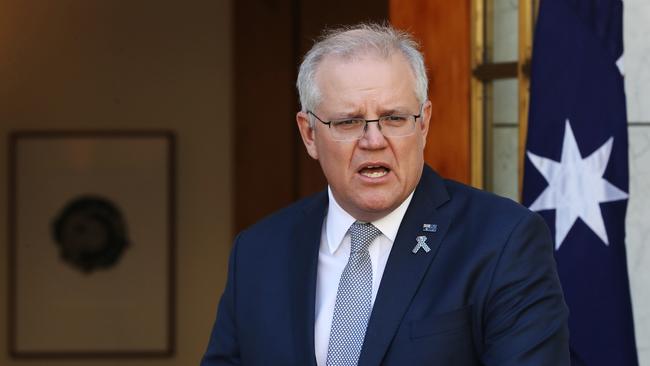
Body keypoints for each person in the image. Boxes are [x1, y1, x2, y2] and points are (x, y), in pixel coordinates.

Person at [201, 23, 570, 365]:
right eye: (348, 121)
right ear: (310, 134)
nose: (373, 141)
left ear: (423, 124)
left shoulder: (502, 241)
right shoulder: (258, 252)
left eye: (394, 118)